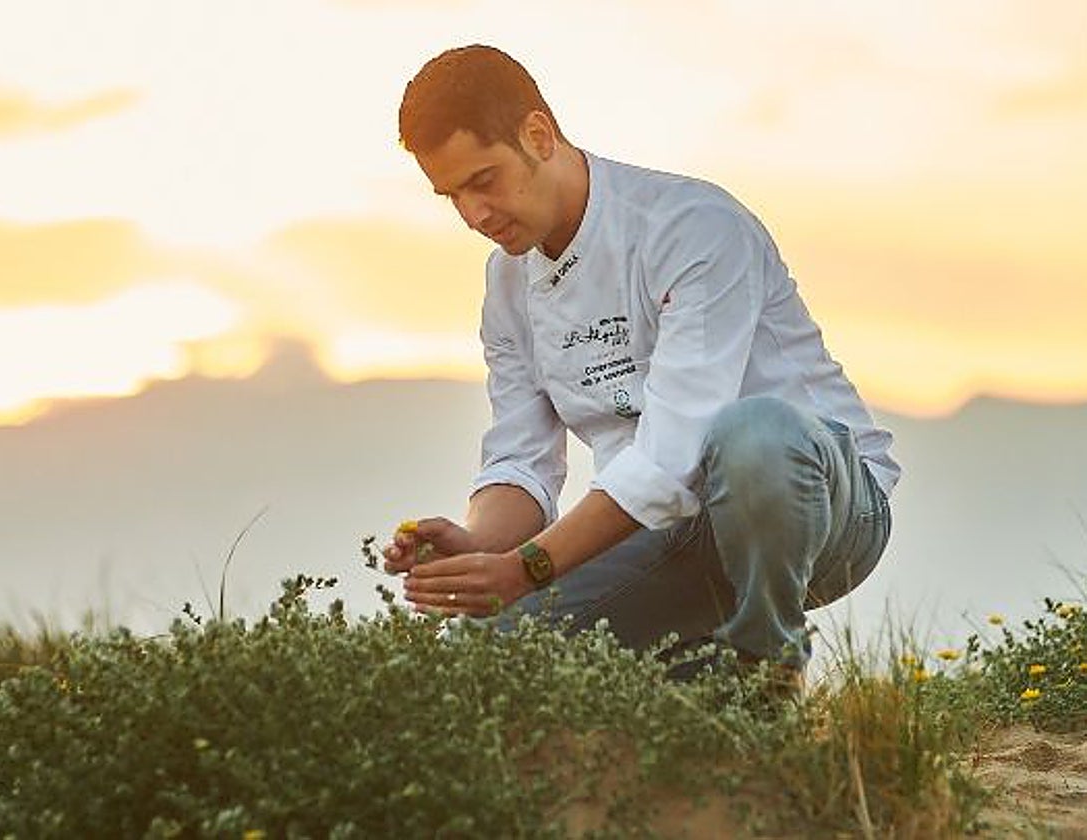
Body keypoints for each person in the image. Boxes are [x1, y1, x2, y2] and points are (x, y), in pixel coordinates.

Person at [383, 44, 899, 679]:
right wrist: (480, 541)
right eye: (452, 195)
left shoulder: (691, 226)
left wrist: (524, 568)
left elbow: (670, 456)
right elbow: (522, 459)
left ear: (538, 135)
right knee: (489, 661)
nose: (474, 215)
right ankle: (696, 688)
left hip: (822, 507)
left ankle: (767, 669)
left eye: (483, 180)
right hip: (668, 529)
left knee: (753, 433)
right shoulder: (508, 285)